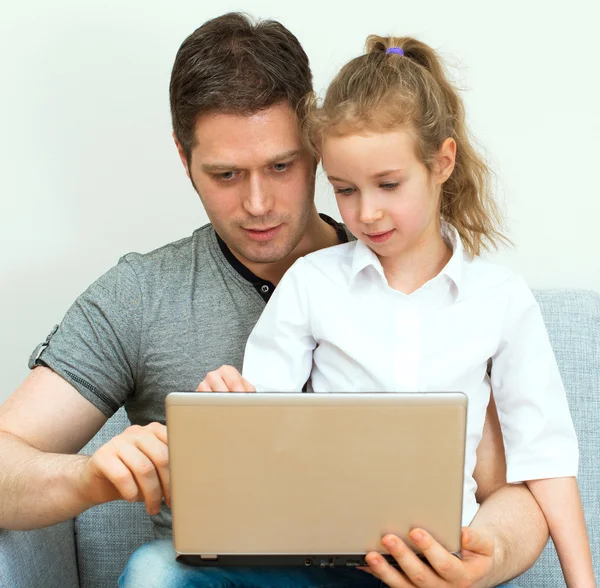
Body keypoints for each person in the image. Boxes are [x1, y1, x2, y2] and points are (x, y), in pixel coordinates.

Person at [0, 13, 548, 588]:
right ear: (183, 159)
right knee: (155, 572)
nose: (258, 203)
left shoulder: (430, 284)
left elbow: (520, 485)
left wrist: (492, 557)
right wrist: (89, 478)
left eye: (281, 167)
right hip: (227, 578)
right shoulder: (139, 297)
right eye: (226, 174)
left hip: (402, 575)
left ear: (317, 144)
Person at [199, 34, 595, 587]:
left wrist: (584, 583)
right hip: (321, 563)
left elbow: (545, 456)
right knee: (158, 567)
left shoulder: (500, 300)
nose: (367, 213)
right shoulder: (312, 283)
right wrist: (229, 412)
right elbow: (265, 424)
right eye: (344, 190)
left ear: (442, 162)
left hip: (438, 571)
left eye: (388, 184)